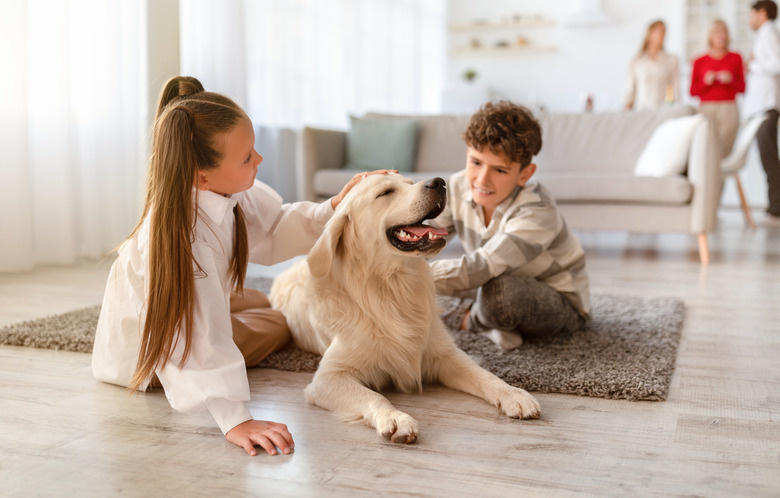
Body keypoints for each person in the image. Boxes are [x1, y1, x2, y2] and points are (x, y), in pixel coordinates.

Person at [92, 76, 389, 456]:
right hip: (148, 360)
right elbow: (192, 336)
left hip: (181, 307)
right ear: (203, 174)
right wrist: (236, 419)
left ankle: (244, 308)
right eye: (247, 156)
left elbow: (274, 227)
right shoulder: (180, 241)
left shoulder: (218, 191)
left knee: (252, 298)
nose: (259, 160)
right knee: (279, 320)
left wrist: (333, 207)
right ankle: (258, 321)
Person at [430, 101, 590, 350]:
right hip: (489, 279)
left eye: (500, 170)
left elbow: (484, 266)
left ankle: (470, 320)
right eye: (475, 162)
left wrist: (414, 280)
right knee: (418, 285)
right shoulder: (456, 186)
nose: (482, 180)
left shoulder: (538, 209)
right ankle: (491, 323)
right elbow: (426, 239)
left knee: (502, 296)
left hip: (555, 300)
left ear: (525, 174)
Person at [744, 0, 780, 224]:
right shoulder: (765, 35)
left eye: (752, 14)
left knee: (769, 159)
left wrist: (754, 65)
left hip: (766, 107)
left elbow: (778, 64)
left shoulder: (768, 34)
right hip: (762, 107)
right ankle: (774, 207)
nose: (750, 19)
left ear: (762, 13)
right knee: (767, 158)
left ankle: (776, 210)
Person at [690, 19, 745, 158]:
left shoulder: (736, 57)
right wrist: (705, 82)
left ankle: (720, 181)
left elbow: (743, 88)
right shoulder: (699, 61)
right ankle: (709, 180)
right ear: (710, 36)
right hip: (706, 110)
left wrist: (731, 80)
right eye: (717, 32)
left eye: (724, 32)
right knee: (707, 151)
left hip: (729, 110)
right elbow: (692, 91)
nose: (722, 36)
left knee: (724, 154)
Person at [624, 20, 680, 110]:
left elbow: (675, 89)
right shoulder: (637, 61)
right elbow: (630, 89)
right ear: (650, 33)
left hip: (664, 110)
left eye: (664, 31)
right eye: (659, 31)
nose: (662, 34)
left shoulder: (672, 60)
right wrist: (627, 107)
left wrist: (676, 108)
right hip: (642, 110)